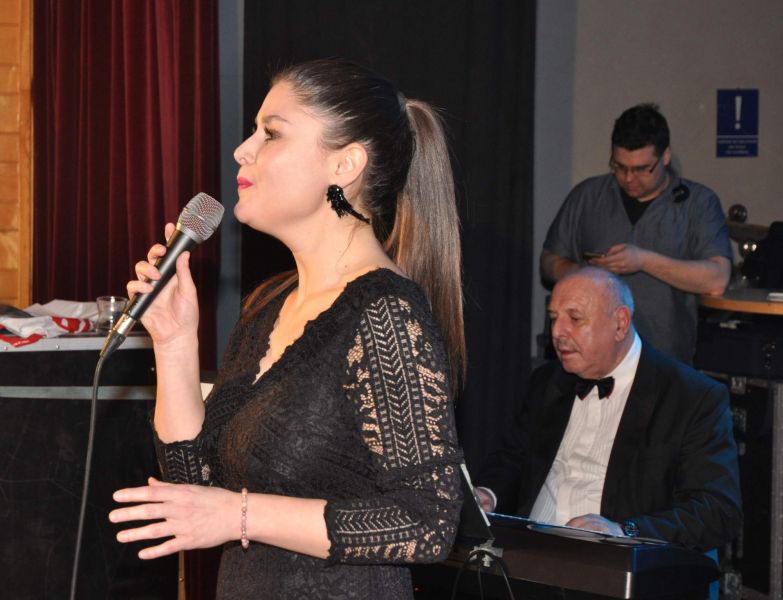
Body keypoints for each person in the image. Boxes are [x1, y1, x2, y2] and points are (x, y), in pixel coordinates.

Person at [108, 59, 465, 599]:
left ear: (345, 164)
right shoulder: (268, 306)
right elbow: (193, 484)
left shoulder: (385, 313)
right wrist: (174, 343)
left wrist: (240, 515)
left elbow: (428, 522)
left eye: (271, 134)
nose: (242, 150)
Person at [475, 267, 741, 552]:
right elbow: (513, 457)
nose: (557, 332)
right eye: (554, 318)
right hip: (529, 553)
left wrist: (624, 532)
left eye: (575, 318)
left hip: (616, 562)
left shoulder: (691, 397)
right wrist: (489, 493)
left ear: (620, 323)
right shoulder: (547, 382)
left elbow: (716, 510)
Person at [540, 103, 733, 364]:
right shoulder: (588, 196)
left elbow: (717, 278)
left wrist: (643, 261)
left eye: (642, 169)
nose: (629, 178)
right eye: (619, 167)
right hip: (593, 362)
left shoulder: (698, 203)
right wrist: (581, 272)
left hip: (666, 360)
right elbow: (549, 261)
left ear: (666, 156)